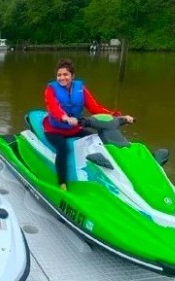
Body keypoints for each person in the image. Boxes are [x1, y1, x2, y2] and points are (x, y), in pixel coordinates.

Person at [43, 58, 134, 192]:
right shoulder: (51, 89)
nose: (62, 78)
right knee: (63, 148)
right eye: (59, 75)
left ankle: (107, 174)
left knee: (95, 140)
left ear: (72, 76)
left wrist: (118, 116)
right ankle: (62, 182)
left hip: (74, 128)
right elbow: (53, 107)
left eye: (65, 74)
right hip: (54, 129)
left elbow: (95, 108)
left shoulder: (81, 89)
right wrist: (65, 118)